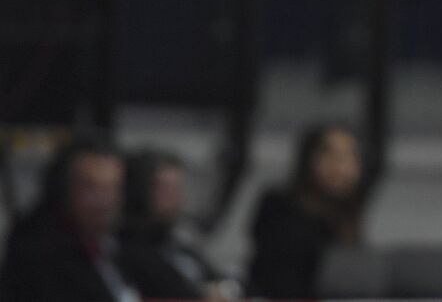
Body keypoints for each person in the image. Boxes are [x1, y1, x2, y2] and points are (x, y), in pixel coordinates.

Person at [0, 135, 138, 302]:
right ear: (63, 189)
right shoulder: (38, 255)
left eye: (112, 188)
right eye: (90, 187)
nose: (104, 201)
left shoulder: (121, 244)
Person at [246, 123, 366, 299]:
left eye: (350, 157)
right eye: (332, 155)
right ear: (309, 159)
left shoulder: (346, 214)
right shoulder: (280, 208)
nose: (342, 167)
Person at [118, 149, 232, 300]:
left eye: (178, 189)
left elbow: (218, 278)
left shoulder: (176, 243)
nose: (177, 199)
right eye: (166, 190)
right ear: (140, 192)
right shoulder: (129, 252)